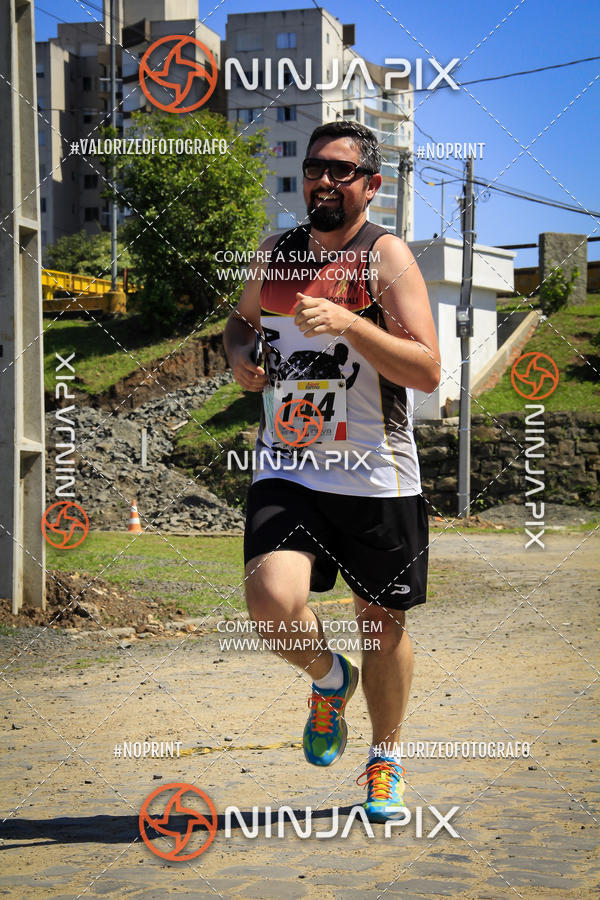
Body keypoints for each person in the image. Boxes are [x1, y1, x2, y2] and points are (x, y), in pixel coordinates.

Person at [223, 120, 440, 823]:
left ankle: (385, 759)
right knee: (270, 601)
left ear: (371, 186)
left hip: (377, 471)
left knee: (381, 622)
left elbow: (429, 369)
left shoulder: (385, 258)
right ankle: (328, 677)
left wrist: (350, 325)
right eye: (315, 166)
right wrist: (238, 358)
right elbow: (239, 322)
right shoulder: (275, 253)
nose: (323, 179)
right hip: (289, 464)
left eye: (341, 171)